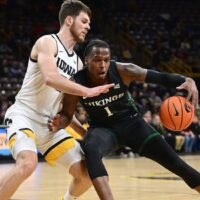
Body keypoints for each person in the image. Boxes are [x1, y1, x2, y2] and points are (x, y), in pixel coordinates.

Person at [49, 39, 200, 200]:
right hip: (103, 129)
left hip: (133, 124)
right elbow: (67, 114)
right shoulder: (76, 82)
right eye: (97, 60)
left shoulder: (124, 70)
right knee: (91, 148)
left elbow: (160, 77)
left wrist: (186, 80)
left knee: (176, 163)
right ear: (86, 61)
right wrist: (60, 123)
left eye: (106, 60)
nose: (103, 65)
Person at [0, 1, 114, 200]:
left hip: (50, 126)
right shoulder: (47, 42)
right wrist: (87, 90)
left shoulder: (79, 63)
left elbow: (66, 109)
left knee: (87, 174)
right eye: (84, 21)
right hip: (23, 116)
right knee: (28, 163)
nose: (88, 26)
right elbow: (50, 78)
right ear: (69, 20)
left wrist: (84, 133)